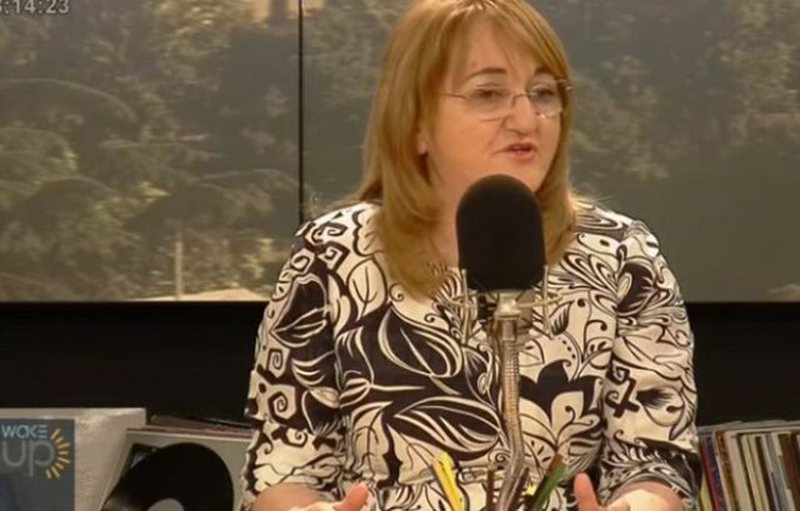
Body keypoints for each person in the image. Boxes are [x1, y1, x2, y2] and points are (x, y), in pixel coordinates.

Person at [241, 0, 700, 510]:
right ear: (415, 122)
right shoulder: (331, 255)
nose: (526, 119)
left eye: (543, 93)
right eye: (488, 93)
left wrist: (639, 506)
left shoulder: (622, 255)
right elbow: (282, 467)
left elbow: (656, 460)